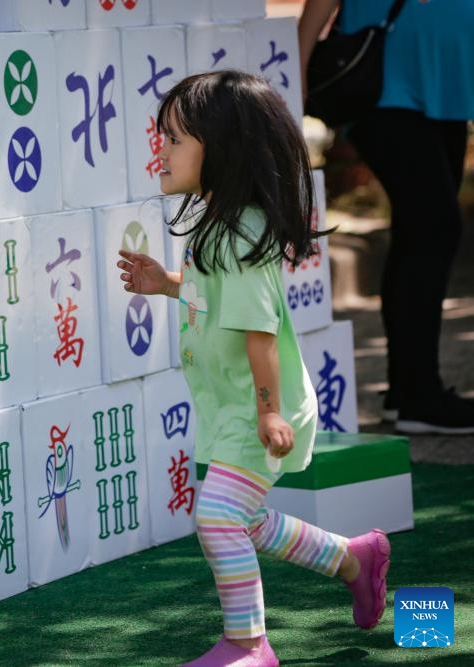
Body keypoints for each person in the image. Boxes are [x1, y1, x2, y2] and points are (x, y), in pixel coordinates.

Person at [115, 71, 390, 667]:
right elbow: (219, 296)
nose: (160, 149)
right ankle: (354, 559)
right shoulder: (220, 223)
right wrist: (168, 284)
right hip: (237, 405)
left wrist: (267, 412)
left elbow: (259, 331)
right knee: (244, 518)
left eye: (175, 140)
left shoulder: (237, 231)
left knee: (217, 517)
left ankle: (248, 646)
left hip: (256, 409)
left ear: (224, 151)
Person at [299, 0, 474, 435]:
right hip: (386, 83)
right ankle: (418, 395)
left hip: (444, 85)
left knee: (421, 232)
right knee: (435, 226)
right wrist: (297, 68)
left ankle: (409, 393)